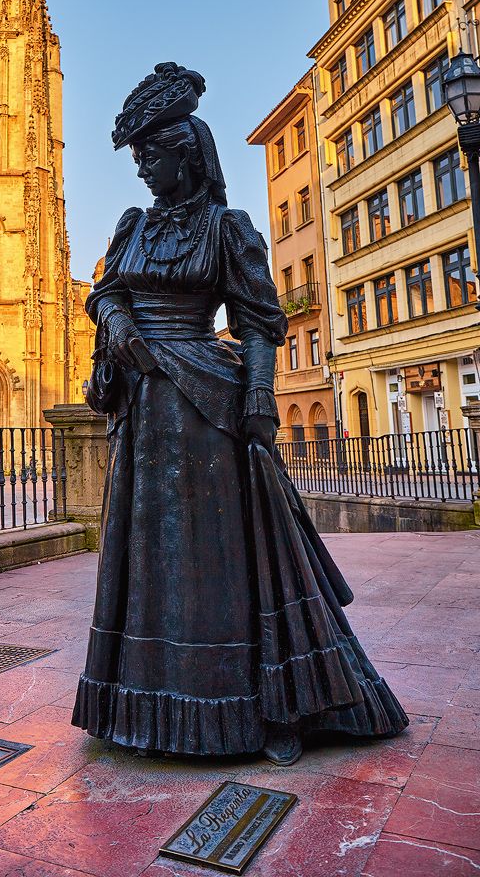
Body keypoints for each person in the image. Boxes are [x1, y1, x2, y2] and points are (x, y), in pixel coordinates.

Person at [72, 62, 408, 765]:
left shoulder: (228, 227)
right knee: (149, 558)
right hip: (143, 408)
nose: (141, 172)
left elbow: (259, 321)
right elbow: (100, 292)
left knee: (220, 556)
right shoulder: (133, 225)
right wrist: (118, 323)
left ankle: (262, 703)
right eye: (137, 159)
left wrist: (260, 399)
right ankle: (147, 701)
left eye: (150, 158)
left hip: (204, 406)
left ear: (185, 157)